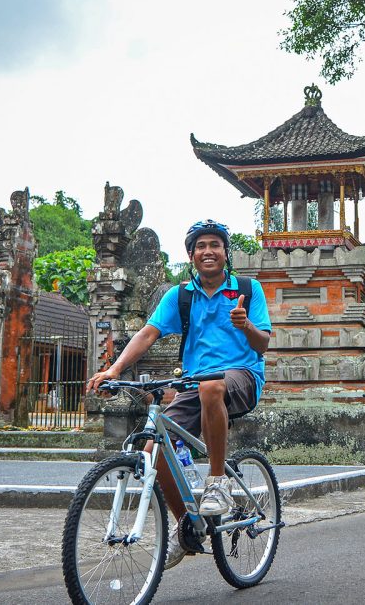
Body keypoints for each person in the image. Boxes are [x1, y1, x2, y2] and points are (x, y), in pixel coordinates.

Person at [84, 219, 271, 567]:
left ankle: (217, 482)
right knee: (152, 447)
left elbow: (262, 345)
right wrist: (114, 369)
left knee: (211, 385)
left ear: (225, 252)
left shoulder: (248, 289)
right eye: (200, 246)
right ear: (191, 255)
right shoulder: (180, 295)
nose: (208, 251)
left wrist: (245, 325)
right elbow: (147, 333)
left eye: (215, 244)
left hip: (242, 375)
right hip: (193, 382)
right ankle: (185, 525)